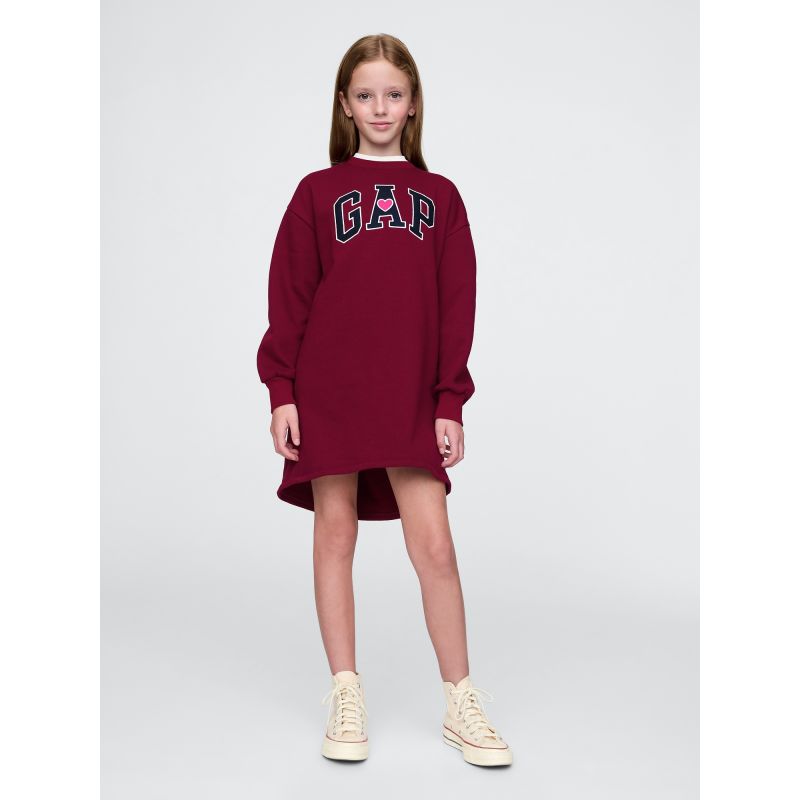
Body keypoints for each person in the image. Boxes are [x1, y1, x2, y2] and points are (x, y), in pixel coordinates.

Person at [256, 33, 512, 767]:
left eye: (393, 94)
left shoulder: (441, 198)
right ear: (344, 104)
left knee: (434, 545)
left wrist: (448, 400)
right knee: (335, 534)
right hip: (328, 390)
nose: (379, 107)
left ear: (413, 104)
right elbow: (290, 298)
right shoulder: (316, 193)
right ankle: (346, 691)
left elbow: (457, 306)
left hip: (408, 394)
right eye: (365, 95)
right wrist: (283, 391)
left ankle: (461, 701)